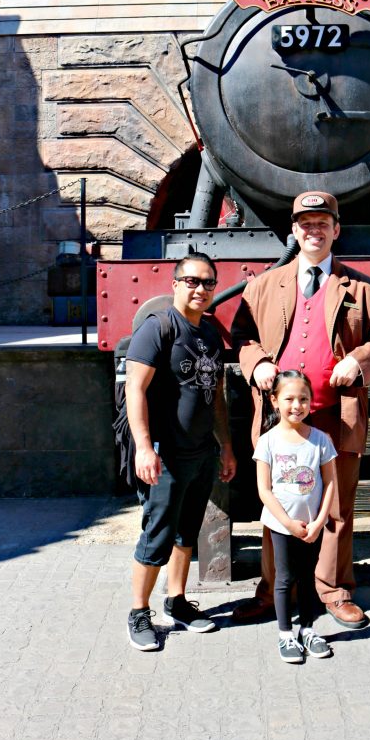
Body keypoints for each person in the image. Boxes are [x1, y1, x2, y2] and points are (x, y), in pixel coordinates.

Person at [231, 190, 370, 629]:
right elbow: (242, 338)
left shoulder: (363, 289)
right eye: (305, 223)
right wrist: (258, 363)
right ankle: (272, 591)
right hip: (279, 425)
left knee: (337, 509)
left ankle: (334, 590)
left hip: (334, 418)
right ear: (293, 230)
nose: (314, 230)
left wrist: (358, 361)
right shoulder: (263, 286)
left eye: (323, 223)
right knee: (277, 507)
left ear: (336, 230)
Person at [125, 253, 237, 651]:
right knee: (156, 535)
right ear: (175, 283)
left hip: (201, 452)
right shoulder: (159, 328)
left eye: (208, 282)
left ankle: (177, 601)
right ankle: (138, 612)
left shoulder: (208, 333)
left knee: (187, 532)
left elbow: (216, 396)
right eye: (192, 280)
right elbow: (134, 389)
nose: (200, 289)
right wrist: (143, 448)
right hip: (166, 453)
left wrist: (225, 447)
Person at [255, 371, 336, 663]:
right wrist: (288, 523)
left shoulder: (321, 440)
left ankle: (308, 628)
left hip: (313, 525)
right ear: (274, 400)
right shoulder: (268, 442)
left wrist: (319, 522)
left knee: (307, 576)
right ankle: (285, 633)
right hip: (282, 524)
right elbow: (264, 490)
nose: (297, 405)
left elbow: (330, 484)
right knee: (284, 577)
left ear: (311, 402)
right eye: (289, 398)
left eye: (304, 399)